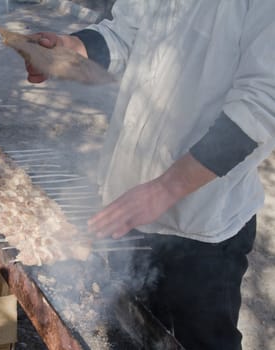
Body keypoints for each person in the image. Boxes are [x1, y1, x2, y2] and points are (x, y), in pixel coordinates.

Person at [24, 1, 275, 349]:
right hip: (129, 208)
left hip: (202, 225)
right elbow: (123, 35)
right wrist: (72, 49)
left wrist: (166, 188)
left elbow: (261, 105)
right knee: (125, 333)